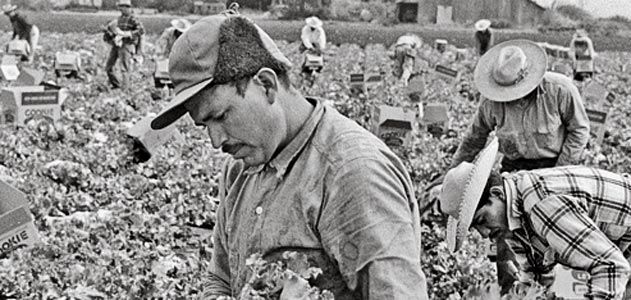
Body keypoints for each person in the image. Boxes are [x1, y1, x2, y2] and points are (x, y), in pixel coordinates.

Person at [149, 11, 429, 299]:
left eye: (220, 116)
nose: (215, 140)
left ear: (267, 85)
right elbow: (220, 279)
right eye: (204, 125)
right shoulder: (240, 170)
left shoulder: (354, 173)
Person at [449, 39, 591, 294]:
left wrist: (561, 171)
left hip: (554, 168)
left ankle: (560, 291)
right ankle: (512, 290)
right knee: (505, 232)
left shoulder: (559, 89)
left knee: (558, 234)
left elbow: (579, 130)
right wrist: (452, 175)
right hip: (514, 170)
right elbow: (474, 137)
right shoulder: (491, 101)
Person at [440, 138, 631, 299]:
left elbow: (610, 267)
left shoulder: (541, 205)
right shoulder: (513, 216)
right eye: (475, 228)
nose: (484, 234)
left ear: (497, 194)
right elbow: (535, 276)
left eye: (481, 220)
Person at [104, 0, 145, 89]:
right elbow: (114, 31)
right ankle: (117, 85)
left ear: (127, 8)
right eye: (120, 7)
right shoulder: (119, 19)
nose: (120, 9)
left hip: (127, 44)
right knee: (109, 67)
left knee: (124, 69)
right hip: (117, 44)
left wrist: (128, 33)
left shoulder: (133, 18)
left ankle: (125, 90)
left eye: (122, 7)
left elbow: (141, 30)